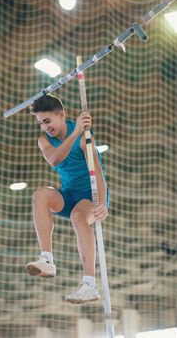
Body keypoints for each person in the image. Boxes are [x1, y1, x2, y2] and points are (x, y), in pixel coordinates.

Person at [25, 94, 109, 304]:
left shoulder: (84, 136)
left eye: (47, 121)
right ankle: (47, 260)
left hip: (90, 195)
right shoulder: (44, 139)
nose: (45, 127)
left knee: (78, 216)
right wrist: (76, 133)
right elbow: (54, 159)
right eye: (40, 123)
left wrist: (102, 202)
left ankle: (89, 284)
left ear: (61, 114)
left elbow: (97, 171)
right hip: (69, 194)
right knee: (41, 194)